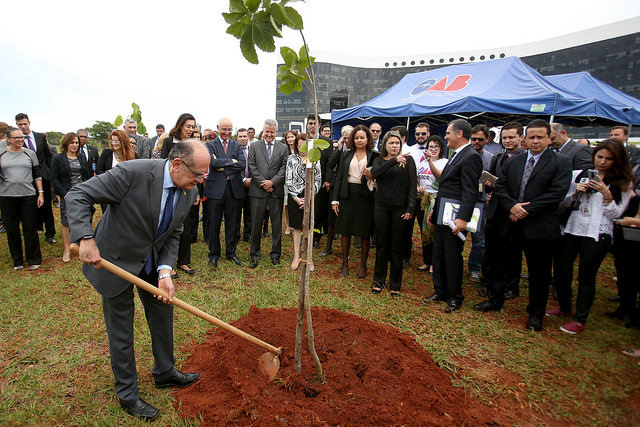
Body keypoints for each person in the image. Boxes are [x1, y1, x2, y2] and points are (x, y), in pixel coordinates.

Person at [66, 140, 207, 421]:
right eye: (198, 174)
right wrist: (85, 237)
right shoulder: (132, 173)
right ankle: (128, 394)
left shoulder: (189, 191)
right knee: (122, 329)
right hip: (114, 261)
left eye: (206, 174)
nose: (202, 180)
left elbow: (174, 231)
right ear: (177, 164)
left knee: (162, 313)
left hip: (152, 263)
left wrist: (165, 270)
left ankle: (165, 372)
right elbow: (78, 194)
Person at [548, 139, 635, 334]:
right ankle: (564, 306)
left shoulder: (623, 183)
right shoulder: (579, 175)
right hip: (571, 228)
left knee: (587, 276)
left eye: (609, 159)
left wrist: (607, 195)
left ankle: (580, 318)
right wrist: (574, 194)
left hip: (597, 234)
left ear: (618, 161)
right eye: (600, 157)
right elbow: (561, 202)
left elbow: (616, 215)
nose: (602, 162)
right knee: (562, 270)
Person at [492, 119, 571, 331]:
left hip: (540, 226)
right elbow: (501, 187)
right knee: (503, 265)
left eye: (540, 137)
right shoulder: (514, 162)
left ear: (549, 138)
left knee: (539, 273)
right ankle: (495, 300)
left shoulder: (560, 162)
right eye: (532, 137)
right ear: (525, 138)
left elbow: (557, 193)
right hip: (512, 223)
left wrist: (526, 209)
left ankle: (535, 314)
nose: (535, 141)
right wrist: (512, 206)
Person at [424, 119, 483, 313]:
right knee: (439, 254)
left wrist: (463, 219)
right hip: (443, 214)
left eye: (448, 133)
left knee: (452, 257)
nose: (445, 137)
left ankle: (455, 296)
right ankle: (440, 291)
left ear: (459, 134)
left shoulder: (471, 156)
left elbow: (469, 191)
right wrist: (435, 209)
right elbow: (446, 186)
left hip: (455, 218)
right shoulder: (456, 155)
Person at [474, 122, 526, 311]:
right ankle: (486, 282)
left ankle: (511, 286)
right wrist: (486, 186)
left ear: (521, 137)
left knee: (511, 253)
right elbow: (489, 183)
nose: (508, 141)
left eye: (511, 137)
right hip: (495, 210)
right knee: (490, 250)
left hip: (513, 212)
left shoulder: (525, 159)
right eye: (505, 137)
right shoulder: (498, 157)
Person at [368, 131, 416, 297]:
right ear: (385, 145)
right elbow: (375, 173)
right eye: (391, 143)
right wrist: (394, 161)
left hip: (400, 208)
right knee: (381, 245)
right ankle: (378, 281)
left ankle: (395, 284)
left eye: (397, 143)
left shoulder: (408, 160)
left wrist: (410, 208)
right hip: (381, 206)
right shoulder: (379, 160)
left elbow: (412, 186)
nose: (394, 146)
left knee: (396, 247)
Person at [331, 125, 379, 278]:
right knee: (346, 231)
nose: (359, 140)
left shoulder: (374, 155)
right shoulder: (346, 154)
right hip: (347, 195)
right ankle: (345, 262)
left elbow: (378, 177)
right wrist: (335, 200)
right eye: (356, 138)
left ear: (368, 139)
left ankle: (363, 264)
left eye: (362, 138)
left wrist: (371, 175)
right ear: (352, 139)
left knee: (364, 232)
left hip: (365, 197)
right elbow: (339, 177)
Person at [158, 114, 199, 276]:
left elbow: (197, 171)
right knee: (168, 225)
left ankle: (183, 261)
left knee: (186, 226)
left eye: (192, 126)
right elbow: (163, 164)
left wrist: (196, 193)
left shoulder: (194, 144)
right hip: (170, 188)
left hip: (188, 189)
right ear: (180, 125)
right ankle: (167, 263)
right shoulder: (169, 142)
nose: (190, 129)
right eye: (188, 126)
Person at [0, 127, 44, 270]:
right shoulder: (2, 154)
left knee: (29, 227)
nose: (20, 140)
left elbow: (37, 175)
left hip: (28, 196)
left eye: (22, 137)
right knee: (12, 229)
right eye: (17, 138)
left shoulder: (29, 154)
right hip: (7, 196)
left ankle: (34, 259)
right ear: (8, 139)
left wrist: (41, 193)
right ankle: (17, 260)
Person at [204, 117, 245, 267]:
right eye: (224, 129)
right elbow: (212, 162)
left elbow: (242, 164)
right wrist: (231, 162)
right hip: (215, 190)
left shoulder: (237, 145)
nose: (227, 132)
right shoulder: (210, 145)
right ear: (218, 127)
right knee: (214, 223)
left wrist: (222, 164)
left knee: (232, 223)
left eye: (229, 129)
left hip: (233, 190)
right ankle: (214, 254)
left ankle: (231, 252)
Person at [247, 119, 289, 268]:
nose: (269, 134)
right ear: (263, 131)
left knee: (276, 225)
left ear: (276, 132)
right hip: (258, 192)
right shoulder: (254, 146)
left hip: (276, 192)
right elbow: (251, 166)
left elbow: (284, 168)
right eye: (267, 131)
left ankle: (276, 255)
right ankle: (254, 255)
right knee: (256, 224)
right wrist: (264, 183)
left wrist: (273, 182)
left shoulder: (283, 148)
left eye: (272, 132)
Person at [15, 113, 55, 244]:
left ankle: (50, 233)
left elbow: (48, 156)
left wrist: (49, 172)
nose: (23, 126)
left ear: (29, 123)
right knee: (31, 206)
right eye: (20, 124)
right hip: (27, 178)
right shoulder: (17, 141)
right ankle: (36, 229)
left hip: (44, 176)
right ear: (17, 125)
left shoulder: (40, 137)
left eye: (25, 124)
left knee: (47, 206)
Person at [51, 132, 90, 262]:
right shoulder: (58, 158)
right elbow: (54, 178)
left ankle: (81, 246)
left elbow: (87, 175)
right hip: (66, 194)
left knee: (83, 218)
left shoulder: (82, 157)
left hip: (82, 193)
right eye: (72, 142)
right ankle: (67, 249)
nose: (74, 145)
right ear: (66, 143)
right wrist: (64, 194)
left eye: (77, 143)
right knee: (66, 222)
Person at [286, 133, 321, 270]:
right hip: (295, 196)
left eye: (304, 145)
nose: (301, 148)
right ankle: (296, 255)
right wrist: (296, 198)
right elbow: (288, 179)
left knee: (308, 227)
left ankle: (308, 256)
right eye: (299, 145)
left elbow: (318, 179)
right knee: (297, 227)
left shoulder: (315, 159)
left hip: (310, 195)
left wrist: (309, 198)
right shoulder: (291, 158)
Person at [319, 125, 353, 257]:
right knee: (331, 218)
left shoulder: (356, 150)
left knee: (346, 219)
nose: (346, 139)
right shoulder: (339, 148)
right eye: (344, 137)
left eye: (349, 137)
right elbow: (331, 164)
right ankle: (328, 247)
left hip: (349, 187)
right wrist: (338, 148)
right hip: (335, 186)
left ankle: (346, 251)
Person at [416, 135, 448, 273]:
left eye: (436, 147)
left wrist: (430, 162)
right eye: (430, 147)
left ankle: (435, 263)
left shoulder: (444, 162)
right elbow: (417, 178)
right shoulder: (421, 163)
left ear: (441, 149)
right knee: (424, 232)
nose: (433, 149)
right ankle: (426, 260)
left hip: (435, 200)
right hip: (422, 200)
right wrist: (418, 186)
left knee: (434, 232)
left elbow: (439, 175)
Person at [467, 124, 494, 282]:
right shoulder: (463, 155)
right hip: (462, 201)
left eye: (480, 139)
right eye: (474, 139)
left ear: (487, 139)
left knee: (479, 239)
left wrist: (490, 187)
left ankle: (475, 268)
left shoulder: (490, 158)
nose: (476, 142)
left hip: (480, 202)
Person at [402, 122, 430, 269]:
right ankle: (405, 256)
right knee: (407, 227)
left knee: (426, 229)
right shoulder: (410, 150)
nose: (420, 136)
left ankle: (428, 260)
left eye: (423, 133)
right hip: (412, 195)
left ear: (428, 134)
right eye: (418, 134)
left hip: (428, 197)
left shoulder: (435, 149)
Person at [96, 130, 137, 212]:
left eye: (116, 141)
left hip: (125, 193)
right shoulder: (106, 153)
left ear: (123, 141)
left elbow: (136, 173)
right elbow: (99, 170)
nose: (114, 143)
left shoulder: (133, 155)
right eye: (112, 141)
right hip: (108, 190)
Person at [235, 128, 252, 242]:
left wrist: (252, 180)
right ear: (237, 138)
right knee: (236, 213)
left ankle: (248, 235)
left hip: (251, 185)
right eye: (240, 136)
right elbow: (232, 167)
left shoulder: (253, 149)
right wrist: (243, 179)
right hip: (237, 185)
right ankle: (236, 236)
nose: (242, 138)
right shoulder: (233, 151)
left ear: (248, 137)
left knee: (249, 212)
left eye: (244, 136)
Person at [282, 130, 297, 235]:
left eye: (292, 137)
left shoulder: (300, 149)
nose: (290, 139)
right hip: (287, 181)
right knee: (287, 204)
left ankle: (297, 224)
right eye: (288, 137)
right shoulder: (284, 151)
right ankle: (288, 225)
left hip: (298, 182)